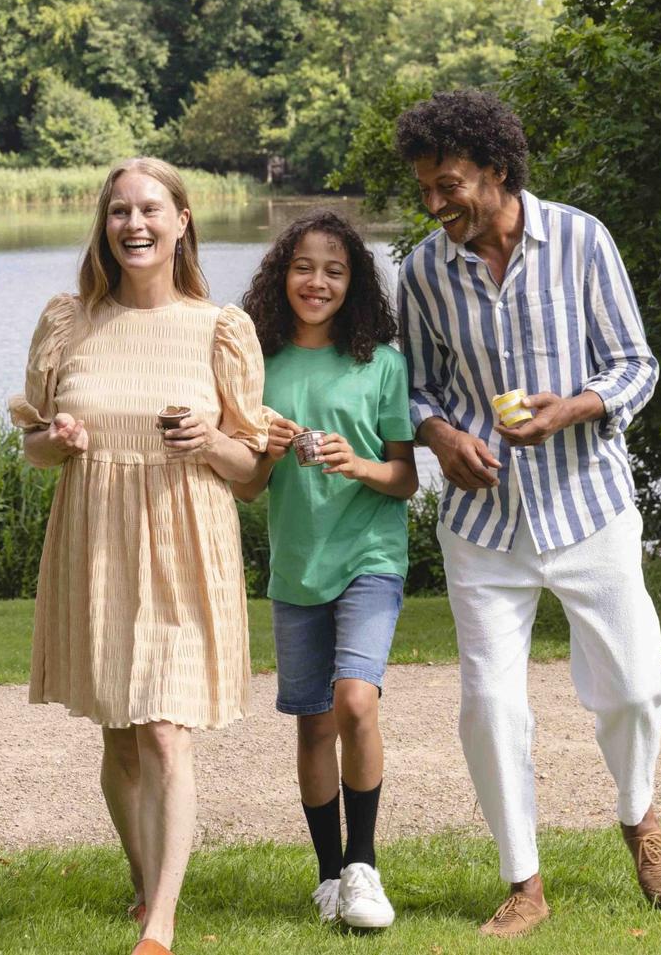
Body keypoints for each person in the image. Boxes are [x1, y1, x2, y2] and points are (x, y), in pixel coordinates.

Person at [393, 90, 661, 939]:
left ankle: (637, 815)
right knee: (489, 702)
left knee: (634, 684)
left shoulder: (584, 240)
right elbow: (409, 386)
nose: (436, 203)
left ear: (496, 169)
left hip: (590, 503)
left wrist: (575, 408)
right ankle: (523, 879)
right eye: (424, 189)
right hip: (483, 525)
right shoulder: (421, 270)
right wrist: (441, 436)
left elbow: (636, 364)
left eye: (448, 184)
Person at [9, 158, 268, 955]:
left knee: (162, 727)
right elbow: (34, 448)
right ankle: (142, 876)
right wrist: (54, 440)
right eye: (119, 211)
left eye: (151, 209)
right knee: (118, 733)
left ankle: (161, 924)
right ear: (105, 225)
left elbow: (254, 472)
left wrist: (212, 440)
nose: (135, 225)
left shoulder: (220, 327)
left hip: (186, 542)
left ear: (183, 220)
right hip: (97, 543)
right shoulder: (67, 321)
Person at [231, 210, 418, 929]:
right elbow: (246, 486)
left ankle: (364, 864)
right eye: (304, 266)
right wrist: (271, 450)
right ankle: (328, 876)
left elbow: (403, 478)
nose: (318, 280)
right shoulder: (259, 364)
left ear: (354, 282)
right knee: (312, 723)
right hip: (297, 566)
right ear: (283, 274)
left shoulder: (383, 363)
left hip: (370, 554)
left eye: (335, 269)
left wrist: (354, 461)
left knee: (356, 700)